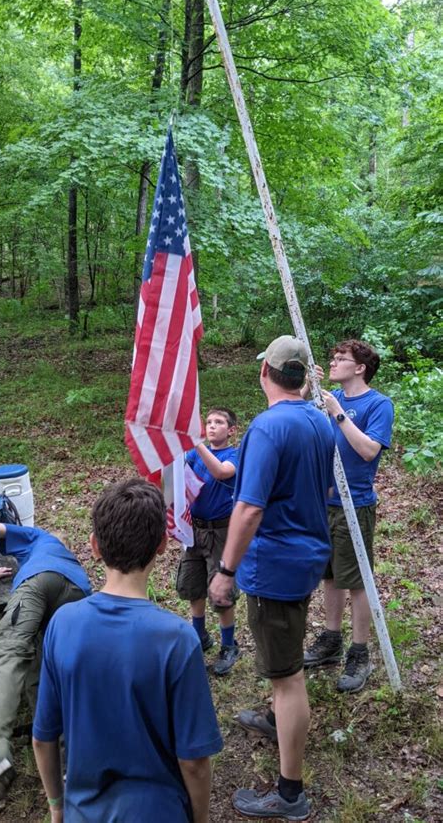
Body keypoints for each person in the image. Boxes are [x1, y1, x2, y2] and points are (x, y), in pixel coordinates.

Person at [32, 478, 223, 823]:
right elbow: (194, 762)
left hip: (83, 812)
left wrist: (57, 807)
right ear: (163, 545)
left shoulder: (63, 624)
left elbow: (43, 738)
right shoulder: (177, 639)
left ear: (94, 546)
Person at [209, 335, 335, 821]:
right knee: (285, 660)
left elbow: (248, 508)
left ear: (265, 372)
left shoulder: (267, 427)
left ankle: (289, 793)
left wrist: (225, 571)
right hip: (306, 556)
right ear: (303, 376)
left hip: (275, 566)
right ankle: (273, 718)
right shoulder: (319, 420)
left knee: (287, 678)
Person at [0, 522, 91, 821]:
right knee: (55, 674)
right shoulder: (71, 560)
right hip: (80, 593)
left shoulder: (39, 539)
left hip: (39, 585)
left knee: (12, 651)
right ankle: (69, 768)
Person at [303, 339, 394, 692]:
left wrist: (338, 414)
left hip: (355, 504)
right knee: (330, 576)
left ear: (360, 368)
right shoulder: (325, 400)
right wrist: (311, 390)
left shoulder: (377, 404)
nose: (334, 362)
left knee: (356, 581)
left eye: (341, 358)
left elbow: (369, 450)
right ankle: (331, 639)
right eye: (334, 357)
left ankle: (359, 653)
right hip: (324, 504)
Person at [176, 407, 240, 675]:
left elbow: (221, 473)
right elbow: (177, 472)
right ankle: (199, 635)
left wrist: (197, 445)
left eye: (219, 422)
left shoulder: (234, 454)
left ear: (231, 430)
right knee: (193, 584)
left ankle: (228, 644)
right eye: (209, 422)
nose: (212, 426)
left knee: (221, 590)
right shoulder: (195, 454)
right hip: (195, 529)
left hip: (220, 531)